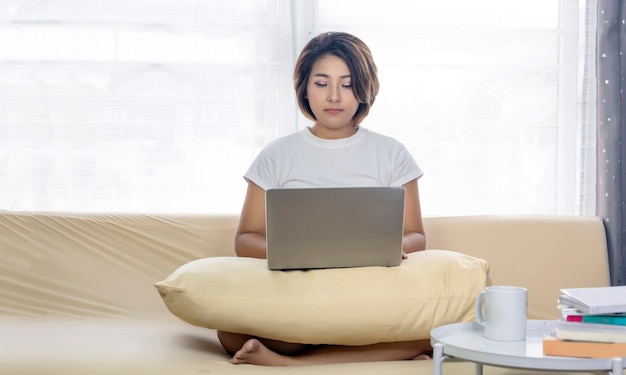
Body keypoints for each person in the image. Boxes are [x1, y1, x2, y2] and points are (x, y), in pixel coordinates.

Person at [217, 31, 431, 366]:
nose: (334, 96)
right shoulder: (276, 155)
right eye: (321, 83)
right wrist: (308, 254)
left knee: (441, 331)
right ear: (304, 88)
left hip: (369, 291)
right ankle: (350, 353)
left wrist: (376, 251)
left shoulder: (392, 154)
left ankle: (295, 363)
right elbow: (246, 239)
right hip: (301, 295)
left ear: (364, 89)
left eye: (346, 84)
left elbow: (416, 235)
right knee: (229, 333)